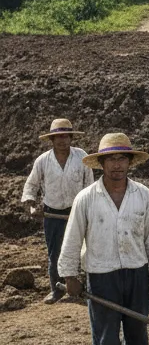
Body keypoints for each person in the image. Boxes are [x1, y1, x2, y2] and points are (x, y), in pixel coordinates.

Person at [58, 133, 149, 345]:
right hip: (101, 274)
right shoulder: (87, 198)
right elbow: (72, 238)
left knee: (137, 332)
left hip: (136, 272)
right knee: (105, 336)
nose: (116, 165)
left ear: (130, 162)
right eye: (110, 159)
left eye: (121, 158)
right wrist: (70, 275)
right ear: (101, 164)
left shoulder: (142, 195)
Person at [21, 118, 92, 303]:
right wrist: (30, 204)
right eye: (58, 137)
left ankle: (82, 291)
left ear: (71, 137)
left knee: (81, 251)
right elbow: (31, 185)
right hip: (52, 213)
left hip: (77, 212)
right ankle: (57, 290)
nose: (62, 140)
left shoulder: (81, 157)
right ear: (51, 140)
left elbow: (90, 186)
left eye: (65, 136)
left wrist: (90, 209)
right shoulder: (43, 161)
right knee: (55, 253)